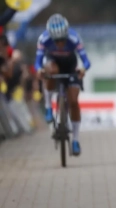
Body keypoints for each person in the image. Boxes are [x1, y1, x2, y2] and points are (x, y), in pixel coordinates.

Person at [34, 13, 91, 156]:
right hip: (53, 63)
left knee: (73, 102)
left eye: (62, 40)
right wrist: (39, 70)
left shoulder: (74, 38)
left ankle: (76, 140)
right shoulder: (44, 39)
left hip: (70, 66)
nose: (59, 43)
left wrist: (83, 69)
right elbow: (37, 62)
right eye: (56, 40)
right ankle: (48, 106)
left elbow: (86, 61)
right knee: (51, 70)